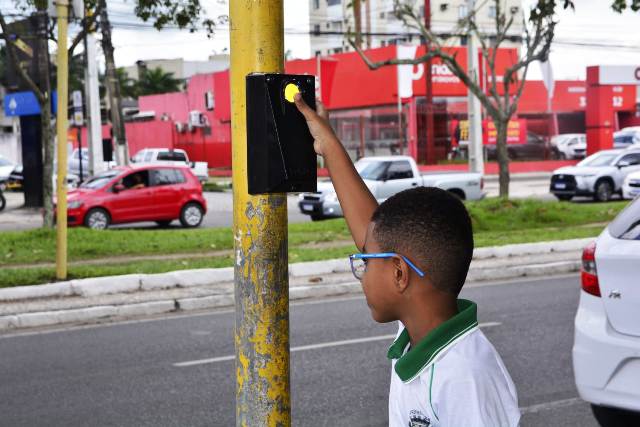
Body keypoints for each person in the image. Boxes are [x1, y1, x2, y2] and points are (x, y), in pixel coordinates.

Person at [294, 93, 520, 427]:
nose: (362, 272)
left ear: (400, 275)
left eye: (366, 262)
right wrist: (329, 146)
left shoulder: (465, 378)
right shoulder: (421, 327)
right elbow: (376, 233)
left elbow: (380, 242)